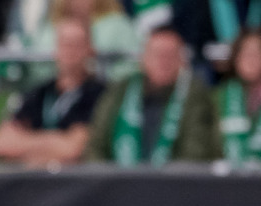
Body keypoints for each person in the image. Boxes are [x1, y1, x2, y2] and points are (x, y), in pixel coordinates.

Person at [86, 25, 221, 165]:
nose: (163, 61)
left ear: (182, 61)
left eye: (170, 55)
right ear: (143, 58)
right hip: (118, 183)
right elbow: (95, 145)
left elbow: (196, 153)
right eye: (157, 54)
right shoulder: (120, 90)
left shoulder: (195, 96)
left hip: (174, 183)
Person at [0, 17, 105, 166]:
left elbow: (73, 149)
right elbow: (0, 144)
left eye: (76, 44)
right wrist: (55, 141)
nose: (70, 51)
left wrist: (27, 144)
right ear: (55, 49)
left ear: (90, 50)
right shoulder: (40, 92)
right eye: (65, 44)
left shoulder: (99, 94)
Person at [216, 28, 261, 165]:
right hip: (227, 181)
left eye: (257, 53)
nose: (250, 59)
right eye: (245, 52)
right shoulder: (218, 98)